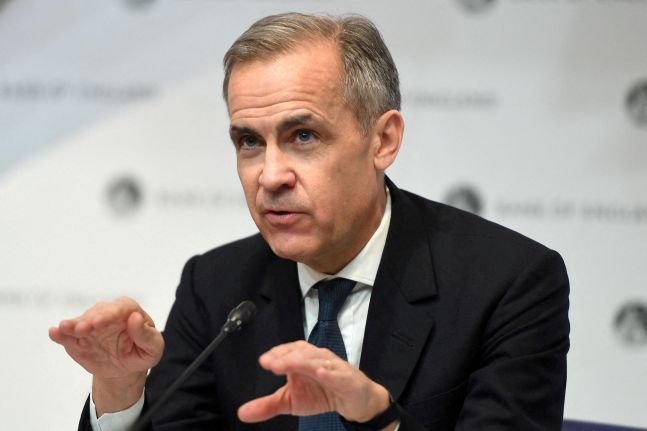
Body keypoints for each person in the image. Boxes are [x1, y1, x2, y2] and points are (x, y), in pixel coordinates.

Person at [49, 12, 570, 431]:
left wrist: (379, 420)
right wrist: (120, 389)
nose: (271, 176)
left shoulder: (508, 283)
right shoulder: (215, 287)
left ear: (383, 140)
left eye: (303, 136)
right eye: (249, 141)